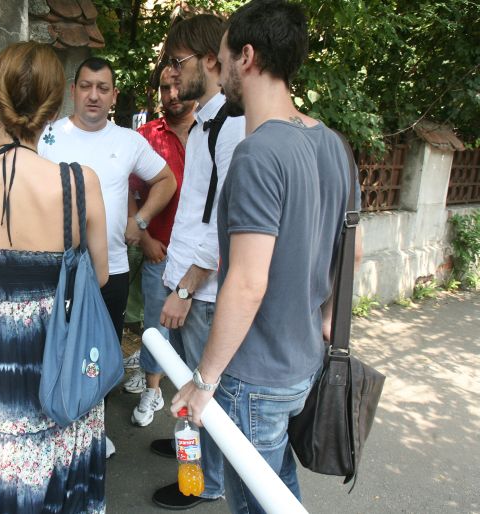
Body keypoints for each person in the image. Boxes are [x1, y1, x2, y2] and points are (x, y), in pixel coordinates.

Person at [171, 2, 362, 513]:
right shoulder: (333, 145)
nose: (220, 66)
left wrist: (203, 380)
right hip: (304, 365)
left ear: (247, 56)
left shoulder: (258, 153)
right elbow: (354, 251)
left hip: (255, 378)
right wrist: (324, 320)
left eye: (225, 54)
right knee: (278, 493)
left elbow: (248, 282)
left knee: (259, 503)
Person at [0, 42, 109, 514]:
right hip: (60, 347)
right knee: (59, 453)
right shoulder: (80, 182)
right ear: (53, 109)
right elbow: (103, 275)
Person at [38, 56, 176, 458]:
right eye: (86, 86)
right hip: (55, 267)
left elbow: (165, 179)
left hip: (109, 269)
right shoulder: (48, 136)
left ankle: (93, 428)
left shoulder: (129, 142)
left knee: (99, 352)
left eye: (102, 88)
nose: (93, 95)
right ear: (72, 90)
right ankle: (56, 425)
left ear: (114, 95)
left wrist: (143, 219)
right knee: (56, 347)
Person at [149, 14, 246, 511]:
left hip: (202, 292)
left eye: (177, 60)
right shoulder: (209, 120)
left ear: (210, 60)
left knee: (207, 387)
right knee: (191, 380)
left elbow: (227, 220)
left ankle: (208, 480)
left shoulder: (231, 125)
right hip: (189, 283)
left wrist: (186, 288)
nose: (171, 71)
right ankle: (192, 445)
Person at [126, 66, 196, 426]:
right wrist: (146, 237)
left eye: (177, 86)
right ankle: (153, 388)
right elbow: (131, 191)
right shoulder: (147, 136)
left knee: (198, 329)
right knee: (157, 324)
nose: (171, 95)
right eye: (165, 88)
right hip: (161, 252)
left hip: (205, 257)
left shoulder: (214, 132)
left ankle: (196, 391)